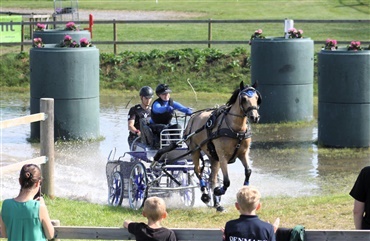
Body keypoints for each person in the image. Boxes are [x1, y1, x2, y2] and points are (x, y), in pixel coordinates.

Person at [0, 163, 55, 240]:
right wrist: (42, 204)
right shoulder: (39, 207)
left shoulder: (6, 205)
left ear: (20, 181)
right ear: (37, 183)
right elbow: (50, 235)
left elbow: (4, 233)